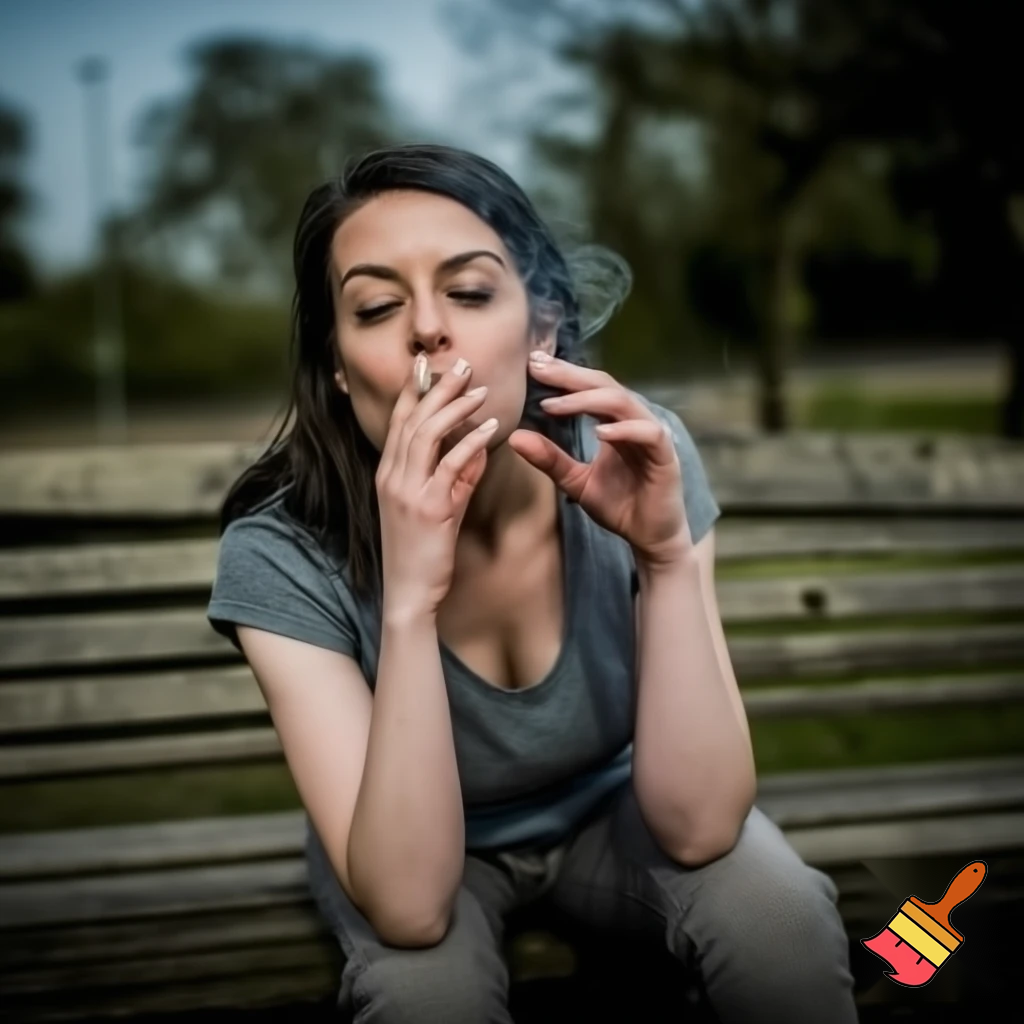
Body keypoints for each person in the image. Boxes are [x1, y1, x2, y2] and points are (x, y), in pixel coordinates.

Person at [206, 143, 858, 1023]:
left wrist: (664, 558)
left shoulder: (636, 457)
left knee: (780, 919)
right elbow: (408, 907)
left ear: (542, 328)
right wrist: (407, 603)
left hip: (614, 812)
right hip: (417, 848)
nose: (428, 329)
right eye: (376, 306)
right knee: (421, 994)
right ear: (336, 364)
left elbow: (700, 828)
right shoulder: (279, 550)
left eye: (470, 292)